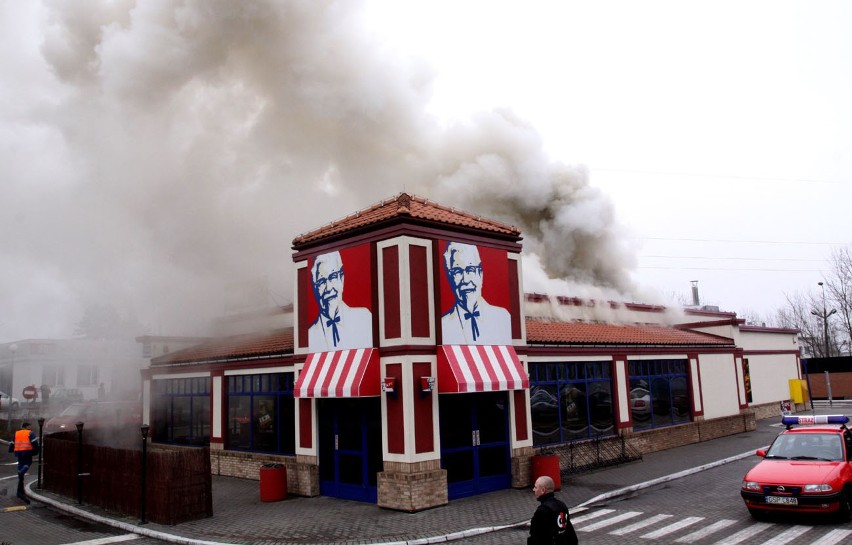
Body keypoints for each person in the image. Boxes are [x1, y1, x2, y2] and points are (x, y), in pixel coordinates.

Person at [441, 242, 511, 345]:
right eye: (457, 271)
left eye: (471, 269)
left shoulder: (503, 317)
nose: (466, 279)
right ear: (450, 277)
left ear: (480, 275)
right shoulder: (443, 325)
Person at [308, 250, 373, 351]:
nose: (328, 288)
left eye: (332, 277)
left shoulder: (365, 318)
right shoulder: (311, 334)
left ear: (341, 279)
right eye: (321, 282)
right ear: (314, 288)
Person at [529, 475, 578, 545]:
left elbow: (536, 536)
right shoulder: (562, 505)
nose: (533, 489)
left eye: (536, 487)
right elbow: (569, 531)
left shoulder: (542, 511)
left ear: (543, 490)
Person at [12, 421, 39, 505]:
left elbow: (12, 443)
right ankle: (22, 472)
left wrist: (11, 450)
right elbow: (34, 443)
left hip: (19, 452)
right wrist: (36, 450)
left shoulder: (17, 433)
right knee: (28, 462)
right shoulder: (30, 433)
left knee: (20, 464)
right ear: (27, 426)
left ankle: (20, 478)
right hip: (27, 452)